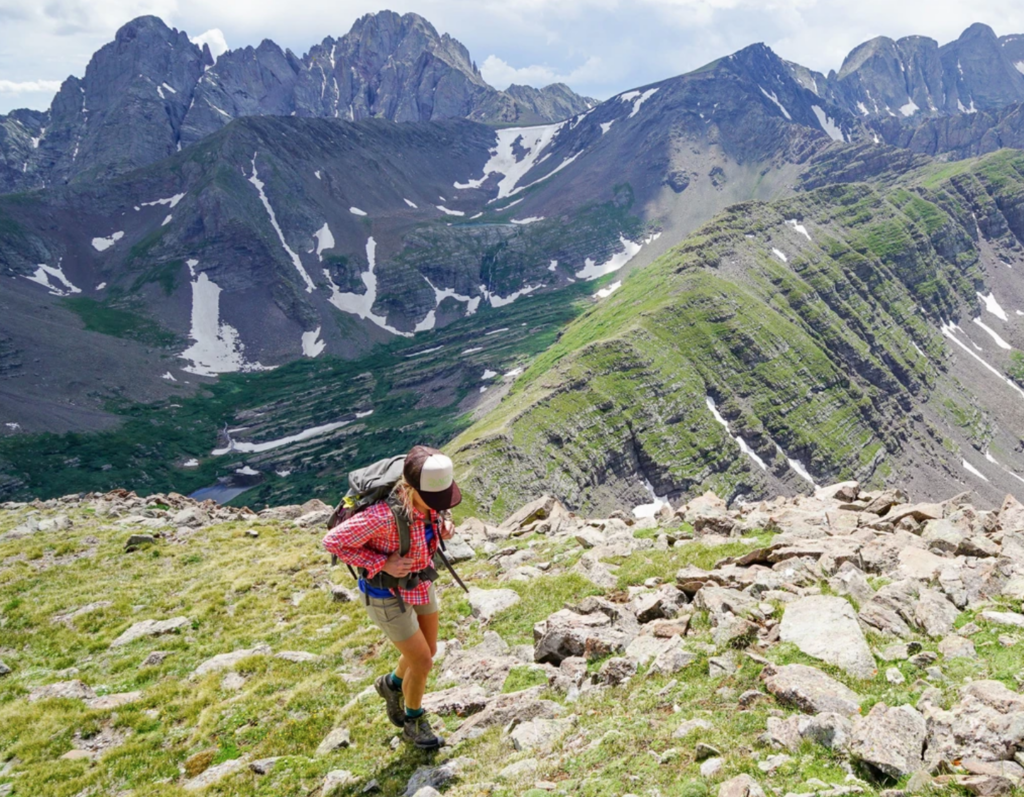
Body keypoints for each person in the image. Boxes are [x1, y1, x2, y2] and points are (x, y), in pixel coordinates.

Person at [322, 445, 461, 750]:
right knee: (422, 661)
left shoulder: (430, 499)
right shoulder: (381, 516)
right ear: (410, 488)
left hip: (420, 581)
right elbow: (332, 541)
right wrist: (381, 562)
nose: (437, 505)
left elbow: (437, 509)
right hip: (385, 593)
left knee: (429, 649)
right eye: (433, 500)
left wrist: (443, 522)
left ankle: (392, 685)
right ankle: (413, 721)